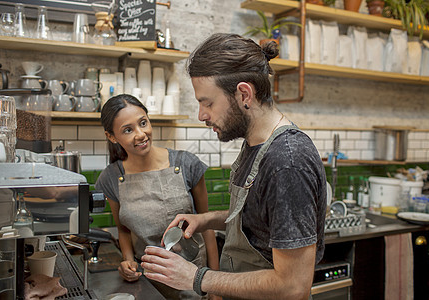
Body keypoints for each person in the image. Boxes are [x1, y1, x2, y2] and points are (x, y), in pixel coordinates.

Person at [140, 33, 327, 299]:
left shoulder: (287, 161)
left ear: (244, 94)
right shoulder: (255, 143)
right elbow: (260, 221)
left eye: (208, 102)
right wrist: (207, 220)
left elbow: (293, 286)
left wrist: (196, 278)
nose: (201, 115)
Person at [95, 94, 219, 299]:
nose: (141, 134)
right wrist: (127, 260)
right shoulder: (111, 178)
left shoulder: (187, 164)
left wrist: (214, 289)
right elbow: (123, 229)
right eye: (128, 130)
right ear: (112, 137)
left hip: (193, 281)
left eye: (143, 123)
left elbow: (207, 227)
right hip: (147, 284)